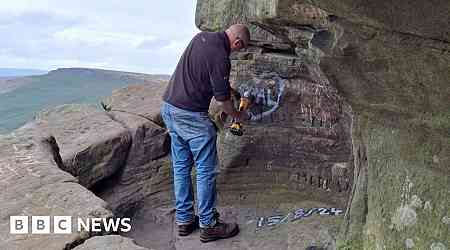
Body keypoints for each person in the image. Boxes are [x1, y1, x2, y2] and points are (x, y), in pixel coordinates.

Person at [160, 24, 251, 243]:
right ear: (237, 42)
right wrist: (237, 116)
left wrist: (231, 91)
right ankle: (209, 225)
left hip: (170, 108)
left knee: (181, 166)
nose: (237, 52)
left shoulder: (201, 38)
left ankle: (184, 220)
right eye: (240, 48)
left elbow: (210, 77)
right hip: (191, 117)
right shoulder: (222, 56)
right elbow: (222, 102)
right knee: (205, 170)